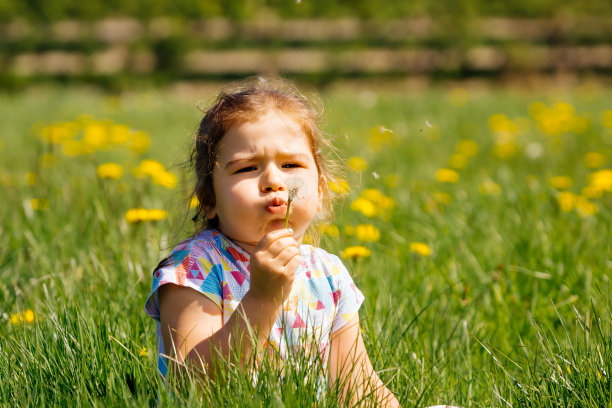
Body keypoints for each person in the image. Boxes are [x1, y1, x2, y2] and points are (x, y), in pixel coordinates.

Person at [144, 77, 400, 406]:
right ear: (209, 199)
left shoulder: (328, 274)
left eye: (291, 165)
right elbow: (191, 385)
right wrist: (261, 298)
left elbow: (357, 388)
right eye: (247, 168)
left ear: (321, 190)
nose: (273, 181)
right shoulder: (195, 267)